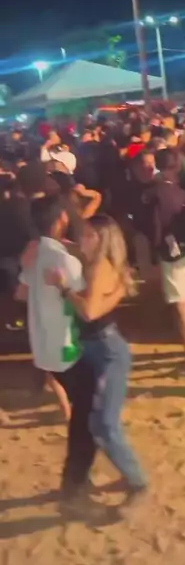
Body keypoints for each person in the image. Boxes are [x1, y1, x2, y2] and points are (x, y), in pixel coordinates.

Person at [47, 215, 147, 502]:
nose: (84, 239)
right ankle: (84, 476)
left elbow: (89, 312)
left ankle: (138, 482)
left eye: (91, 236)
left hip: (107, 350)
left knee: (105, 423)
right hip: (92, 348)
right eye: (84, 233)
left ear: (104, 240)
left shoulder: (100, 266)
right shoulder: (93, 261)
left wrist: (63, 288)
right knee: (92, 419)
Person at [15, 196, 97, 510]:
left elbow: (21, 293)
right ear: (61, 218)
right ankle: (75, 483)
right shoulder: (65, 260)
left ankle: (76, 479)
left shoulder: (34, 254)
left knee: (83, 412)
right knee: (88, 416)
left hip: (44, 346)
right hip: (68, 347)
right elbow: (88, 304)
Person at [153, 148, 185, 359]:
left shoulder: (156, 192)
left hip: (172, 253)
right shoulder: (183, 191)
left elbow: (157, 227)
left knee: (181, 303)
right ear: (177, 165)